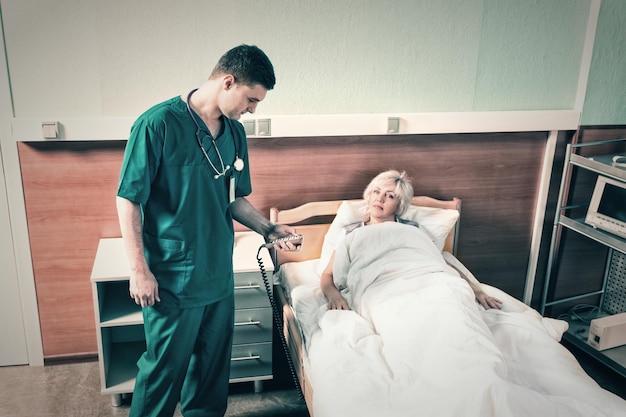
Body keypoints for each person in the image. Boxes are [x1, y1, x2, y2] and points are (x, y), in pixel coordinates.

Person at [116, 44, 296, 417]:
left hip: (216, 272)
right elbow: (129, 199)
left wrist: (268, 228)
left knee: (212, 371)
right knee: (163, 372)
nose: (252, 109)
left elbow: (232, 199)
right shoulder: (157, 124)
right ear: (227, 82)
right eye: (250, 99)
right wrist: (138, 269)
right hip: (171, 276)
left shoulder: (233, 133)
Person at [320, 170, 502, 311]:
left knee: (450, 301)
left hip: (423, 281)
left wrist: (474, 288)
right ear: (369, 195)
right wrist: (334, 296)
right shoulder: (352, 232)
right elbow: (328, 275)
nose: (380, 198)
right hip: (380, 286)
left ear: (399, 205)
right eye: (376, 191)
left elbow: (438, 261)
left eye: (390, 196)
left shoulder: (411, 230)